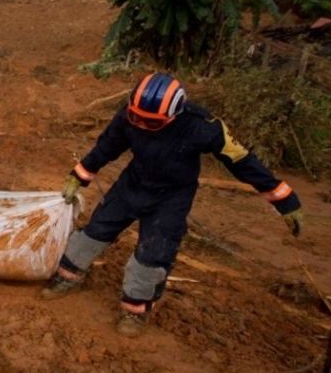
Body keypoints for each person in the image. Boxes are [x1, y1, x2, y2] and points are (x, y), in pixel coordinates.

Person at [42, 72, 305, 336]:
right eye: (138, 119)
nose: (142, 125)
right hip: (132, 185)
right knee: (95, 232)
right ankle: (68, 277)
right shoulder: (130, 114)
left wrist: (284, 200)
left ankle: (135, 310)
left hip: (171, 198)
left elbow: (242, 162)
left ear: (174, 114)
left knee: (152, 255)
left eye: (151, 122)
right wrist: (80, 175)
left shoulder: (204, 126)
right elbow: (107, 146)